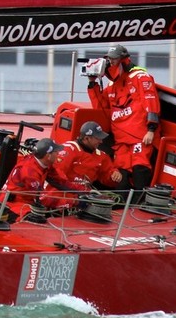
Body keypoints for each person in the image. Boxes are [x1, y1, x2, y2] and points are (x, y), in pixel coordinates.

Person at [86, 44, 161, 198]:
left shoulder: (141, 77)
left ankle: (139, 203)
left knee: (140, 167)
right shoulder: (112, 84)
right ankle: (123, 204)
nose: (111, 63)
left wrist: (151, 129)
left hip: (140, 136)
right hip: (120, 139)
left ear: (123, 59)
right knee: (121, 172)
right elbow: (100, 106)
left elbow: (151, 101)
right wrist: (92, 83)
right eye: (109, 60)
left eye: (113, 59)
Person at [42, 121, 124, 209]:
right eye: (98, 138)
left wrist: (114, 175)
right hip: (61, 194)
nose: (101, 141)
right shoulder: (68, 150)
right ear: (86, 138)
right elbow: (57, 176)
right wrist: (78, 192)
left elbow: (107, 176)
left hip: (85, 196)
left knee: (116, 203)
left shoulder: (101, 156)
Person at [0, 138, 61, 222]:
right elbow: (39, 196)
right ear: (48, 156)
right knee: (36, 219)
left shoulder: (44, 164)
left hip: (25, 202)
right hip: (11, 205)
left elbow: (61, 181)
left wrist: (78, 192)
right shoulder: (30, 171)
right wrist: (71, 202)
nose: (58, 154)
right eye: (56, 152)